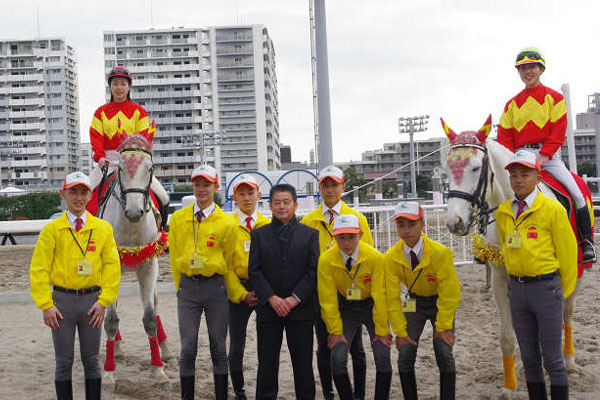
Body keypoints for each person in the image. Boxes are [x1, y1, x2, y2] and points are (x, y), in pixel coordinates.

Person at [497, 47, 595, 263]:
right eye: (523, 68)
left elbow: (558, 130)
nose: (528, 72)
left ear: (541, 69)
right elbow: (504, 134)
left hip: (548, 157)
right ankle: (490, 244)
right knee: (496, 193)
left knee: (577, 194)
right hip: (520, 155)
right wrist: (513, 158)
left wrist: (545, 155)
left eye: (532, 67)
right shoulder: (511, 104)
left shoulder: (555, 98)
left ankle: (586, 242)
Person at [29, 172, 121, 400]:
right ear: (63, 194)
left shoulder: (103, 228)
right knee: (63, 361)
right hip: (62, 304)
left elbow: (112, 267)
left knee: (92, 360)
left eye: (83, 192)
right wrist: (46, 305)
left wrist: (104, 302)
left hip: (92, 303)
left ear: (90, 195)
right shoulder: (52, 230)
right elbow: (39, 269)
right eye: (73, 192)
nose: (78, 197)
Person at [496, 150, 577, 400]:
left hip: (546, 289)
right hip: (517, 291)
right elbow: (507, 247)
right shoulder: (503, 212)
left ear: (538, 178)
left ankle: (587, 235)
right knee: (530, 359)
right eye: (514, 175)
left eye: (525, 174)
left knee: (553, 360)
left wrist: (561, 292)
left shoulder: (552, 208)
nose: (518, 180)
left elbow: (567, 254)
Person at [168, 164, 238, 400]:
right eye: (197, 184)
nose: (201, 189)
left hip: (215, 288)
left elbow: (230, 261)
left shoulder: (227, 222)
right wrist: (180, 287)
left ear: (215, 186)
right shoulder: (178, 219)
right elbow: (174, 256)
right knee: (188, 347)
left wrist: (230, 290)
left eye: (206, 184)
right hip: (188, 289)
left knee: (218, 347)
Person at [301, 165, 370, 400]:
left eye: (334, 185)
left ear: (343, 187)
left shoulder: (358, 218)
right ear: (319, 188)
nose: (330, 190)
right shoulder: (309, 220)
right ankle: (329, 393)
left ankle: (358, 394)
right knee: (324, 345)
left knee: (356, 347)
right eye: (325, 185)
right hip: (321, 293)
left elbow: (367, 256)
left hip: (351, 292)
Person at [249, 184, 319, 400]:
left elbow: (313, 271)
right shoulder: (259, 234)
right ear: (270, 205)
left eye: (286, 202)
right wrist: (271, 298)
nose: (281, 206)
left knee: (303, 363)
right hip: (269, 309)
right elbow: (254, 270)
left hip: (300, 309)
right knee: (267, 362)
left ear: (295, 205)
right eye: (277, 202)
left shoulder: (310, 234)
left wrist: (294, 298)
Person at [384, 201, 461, 400]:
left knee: (443, 351)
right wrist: (400, 331)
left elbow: (450, 293)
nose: (406, 230)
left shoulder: (440, 253)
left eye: (412, 224)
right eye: (401, 225)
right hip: (413, 303)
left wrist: (443, 327)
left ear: (422, 224)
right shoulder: (391, 257)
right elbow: (391, 298)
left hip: (439, 303)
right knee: (405, 353)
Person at [317, 214, 392, 400]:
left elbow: (381, 296)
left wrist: (382, 330)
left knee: (383, 356)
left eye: (351, 236)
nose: (346, 242)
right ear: (334, 237)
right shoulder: (326, 260)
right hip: (347, 309)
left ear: (361, 235)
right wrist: (335, 331)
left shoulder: (375, 258)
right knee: (337, 357)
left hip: (371, 307)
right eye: (341, 237)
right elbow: (327, 299)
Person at [89, 64, 170, 229]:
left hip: (134, 164)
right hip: (107, 163)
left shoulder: (139, 111)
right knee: (84, 194)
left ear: (129, 87)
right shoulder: (100, 112)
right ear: (110, 86)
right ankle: (86, 235)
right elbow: (96, 137)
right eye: (115, 84)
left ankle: (160, 231)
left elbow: (143, 141)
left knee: (163, 196)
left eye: (123, 84)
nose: (119, 88)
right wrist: (100, 156)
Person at [226, 174, 271, 400]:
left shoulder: (268, 225)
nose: (246, 198)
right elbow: (226, 266)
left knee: (267, 344)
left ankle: (265, 390)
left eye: (250, 193)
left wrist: (265, 291)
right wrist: (241, 294)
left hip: (264, 289)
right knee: (236, 345)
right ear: (234, 197)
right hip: (238, 289)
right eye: (241, 193)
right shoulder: (228, 226)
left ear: (259, 195)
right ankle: (239, 390)